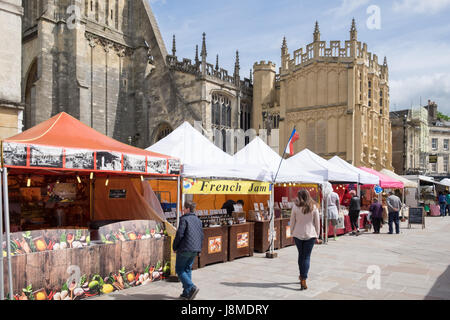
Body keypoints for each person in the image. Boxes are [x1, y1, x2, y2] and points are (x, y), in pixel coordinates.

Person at [290, 190, 320, 291]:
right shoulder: (314, 206)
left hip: (298, 233)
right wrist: (317, 235)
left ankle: (301, 276)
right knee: (306, 257)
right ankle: (304, 278)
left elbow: (292, 221)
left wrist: (291, 233)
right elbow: (317, 222)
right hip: (310, 234)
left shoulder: (295, 206)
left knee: (301, 255)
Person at [173, 201, 204, 300]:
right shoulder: (198, 220)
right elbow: (201, 236)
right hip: (194, 249)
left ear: (188, 209)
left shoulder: (184, 219)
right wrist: (199, 249)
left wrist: (174, 246)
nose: (182, 210)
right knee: (187, 269)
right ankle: (187, 293)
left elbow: (179, 235)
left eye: (184, 208)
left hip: (185, 248)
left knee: (179, 270)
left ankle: (191, 287)